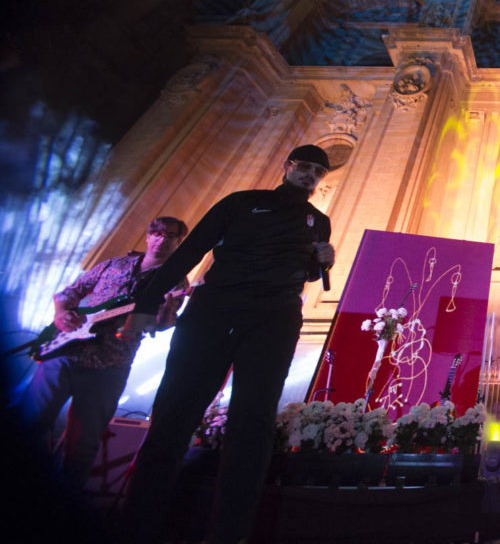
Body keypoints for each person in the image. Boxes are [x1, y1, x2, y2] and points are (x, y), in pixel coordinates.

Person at [118, 144, 334, 544]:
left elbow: (307, 273)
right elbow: (191, 250)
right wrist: (146, 304)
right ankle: (139, 525)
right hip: (215, 310)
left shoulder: (318, 221)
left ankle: (230, 533)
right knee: (175, 413)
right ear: (287, 166)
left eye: (317, 171)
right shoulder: (241, 202)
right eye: (303, 166)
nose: (309, 174)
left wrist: (324, 261)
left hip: (274, 318)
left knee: (252, 424)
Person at [18, 216, 189, 491]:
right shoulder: (115, 264)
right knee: (29, 424)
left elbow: (161, 324)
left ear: (179, 242)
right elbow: (69, 293)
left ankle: (62, 512)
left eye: (170, 236)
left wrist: (168, 310)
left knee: (83, 443)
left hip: (111, 364)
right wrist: (62, 315)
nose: (162, 239)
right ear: (147, 236)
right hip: (65, 352)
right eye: (157, 233)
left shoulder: (177, 281)